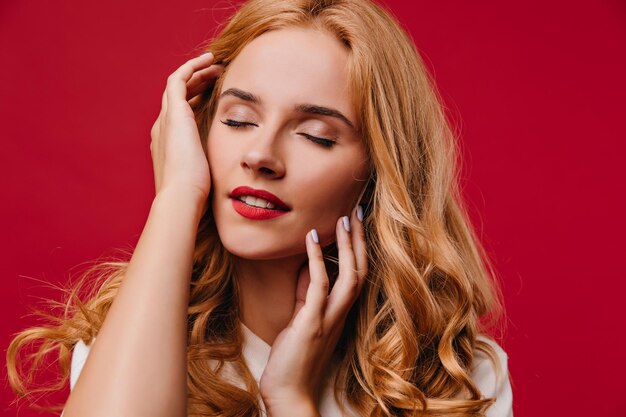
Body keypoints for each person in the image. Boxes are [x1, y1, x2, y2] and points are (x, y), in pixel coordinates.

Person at [6, 0, 513, 416]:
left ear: (378, 174)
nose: (261, 156)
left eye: (315, 135)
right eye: (238, 120)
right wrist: (178, 195)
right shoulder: (135, 331)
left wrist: (292, 400)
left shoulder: (458, 378)